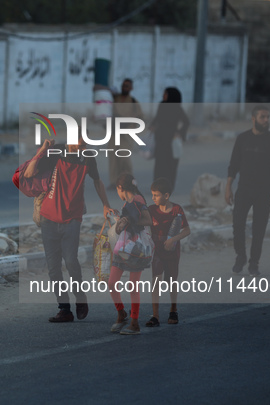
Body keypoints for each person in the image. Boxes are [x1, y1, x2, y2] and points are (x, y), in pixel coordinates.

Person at [24, 138, 114, 323]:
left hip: (73, 216)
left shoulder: (88, 157)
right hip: (48, 216)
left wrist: (106, 204)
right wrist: (42, 149)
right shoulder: (56, 152)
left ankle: (80, 297)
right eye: (81, 145)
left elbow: (98, 181)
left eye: (86, 145)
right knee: (53, 268)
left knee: (72, 261)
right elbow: (29, 172)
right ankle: (64, 308)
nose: (84, 148)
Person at [225, 105, 270, 276]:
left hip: (264, 191)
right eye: (263, 117)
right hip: (244, 189)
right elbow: (233, 165)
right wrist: (228, 187)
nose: (266, 120)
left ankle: (254, 263)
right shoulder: (242, 139)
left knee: (259, 229)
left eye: (268, 117)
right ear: (253, 119)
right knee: (237, 225)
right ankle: (241, 256)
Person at [107, 173, 152, 335]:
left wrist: (128, 221)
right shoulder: (129, 202)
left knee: (133, 286)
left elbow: (148, 220)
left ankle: (134, 322)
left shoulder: (138, 200)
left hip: (136, 248)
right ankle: (121, 314)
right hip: (123, 246)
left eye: (117, 190)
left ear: (120, 187)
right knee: (112, 282)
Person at [146, 177, 190, 327]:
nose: (153, 198)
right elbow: (142, 223)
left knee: (172, 282)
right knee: (156, 281)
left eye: (156, 195)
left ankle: (173, 309)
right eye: (152, 195)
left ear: (166, 195)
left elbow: (187, 230)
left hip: (172, 251)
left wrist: (173, 240)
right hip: (157, 251)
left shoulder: (177, 210)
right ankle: (155, 315)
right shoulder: (151, 210)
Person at [149, 87, 190, 192]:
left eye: (165, 94)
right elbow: (157, 118)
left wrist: (180, 133)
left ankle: (168, 188)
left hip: (171, 141)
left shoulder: (177, 108)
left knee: (171, 165)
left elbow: (186, 122)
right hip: (160, 139)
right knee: (159, 165)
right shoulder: (162, 105)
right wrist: (153, 125)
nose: (163, 95)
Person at [107, 79, 143, 186]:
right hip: (113, 132)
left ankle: (129, 181)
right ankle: (114, 182)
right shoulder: (115, 99)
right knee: (113, 158)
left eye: (127, 86)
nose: (124, 88)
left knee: (124, 157)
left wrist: (132, 120)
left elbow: (140, 116)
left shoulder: (133, 102)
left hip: (126, 133)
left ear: (131, 88)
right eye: (123, 86)